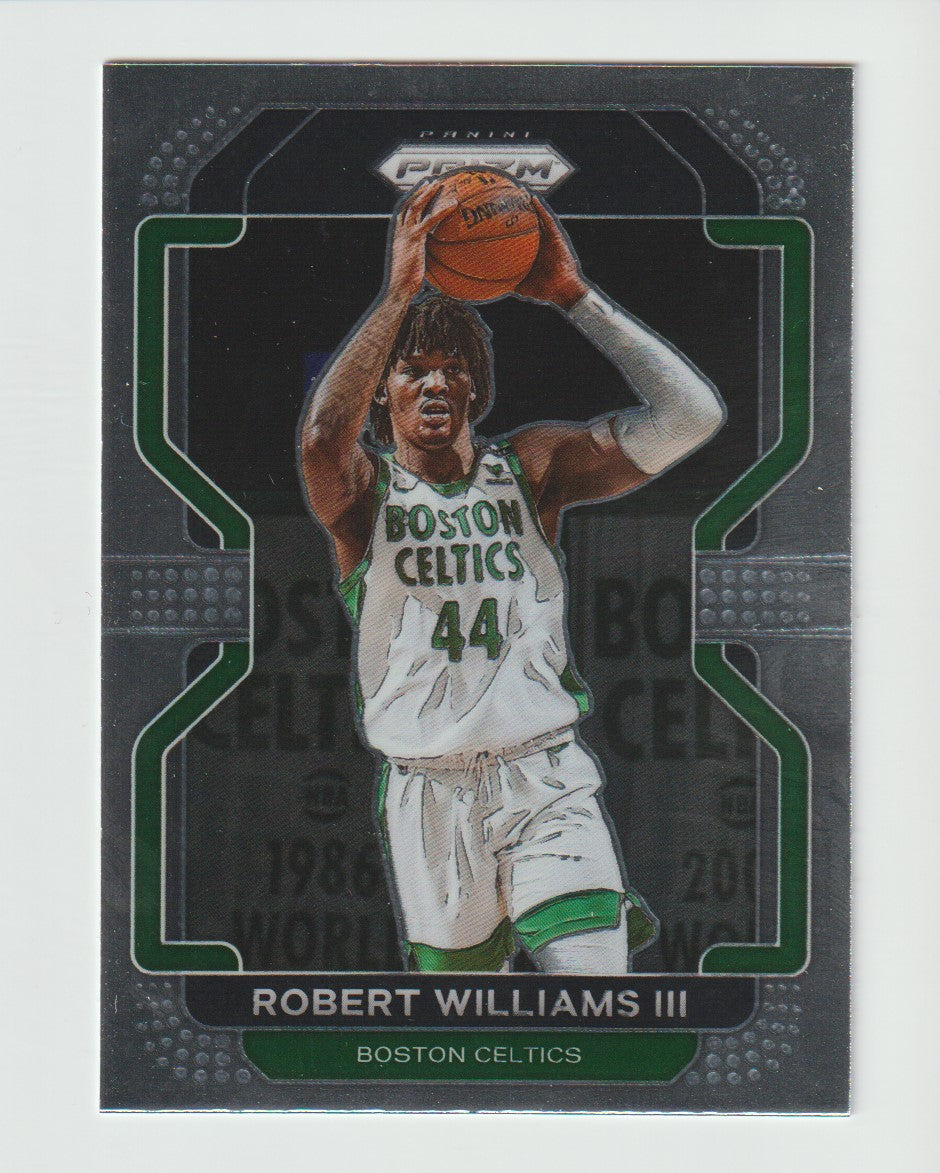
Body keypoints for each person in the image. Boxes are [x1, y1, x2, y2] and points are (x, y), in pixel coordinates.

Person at [298, 178, 725, 974]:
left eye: (452, 368)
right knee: (469, 1020)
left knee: (595, 996)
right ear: (383, 390)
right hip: (427, 794)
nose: (434, 383)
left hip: (544, 774)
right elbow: (323, 436)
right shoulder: (364, 494)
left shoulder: (531, 467)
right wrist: (398, 295)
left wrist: (574, 297)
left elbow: (692, 417)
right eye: (413, 369)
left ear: (475, 385)